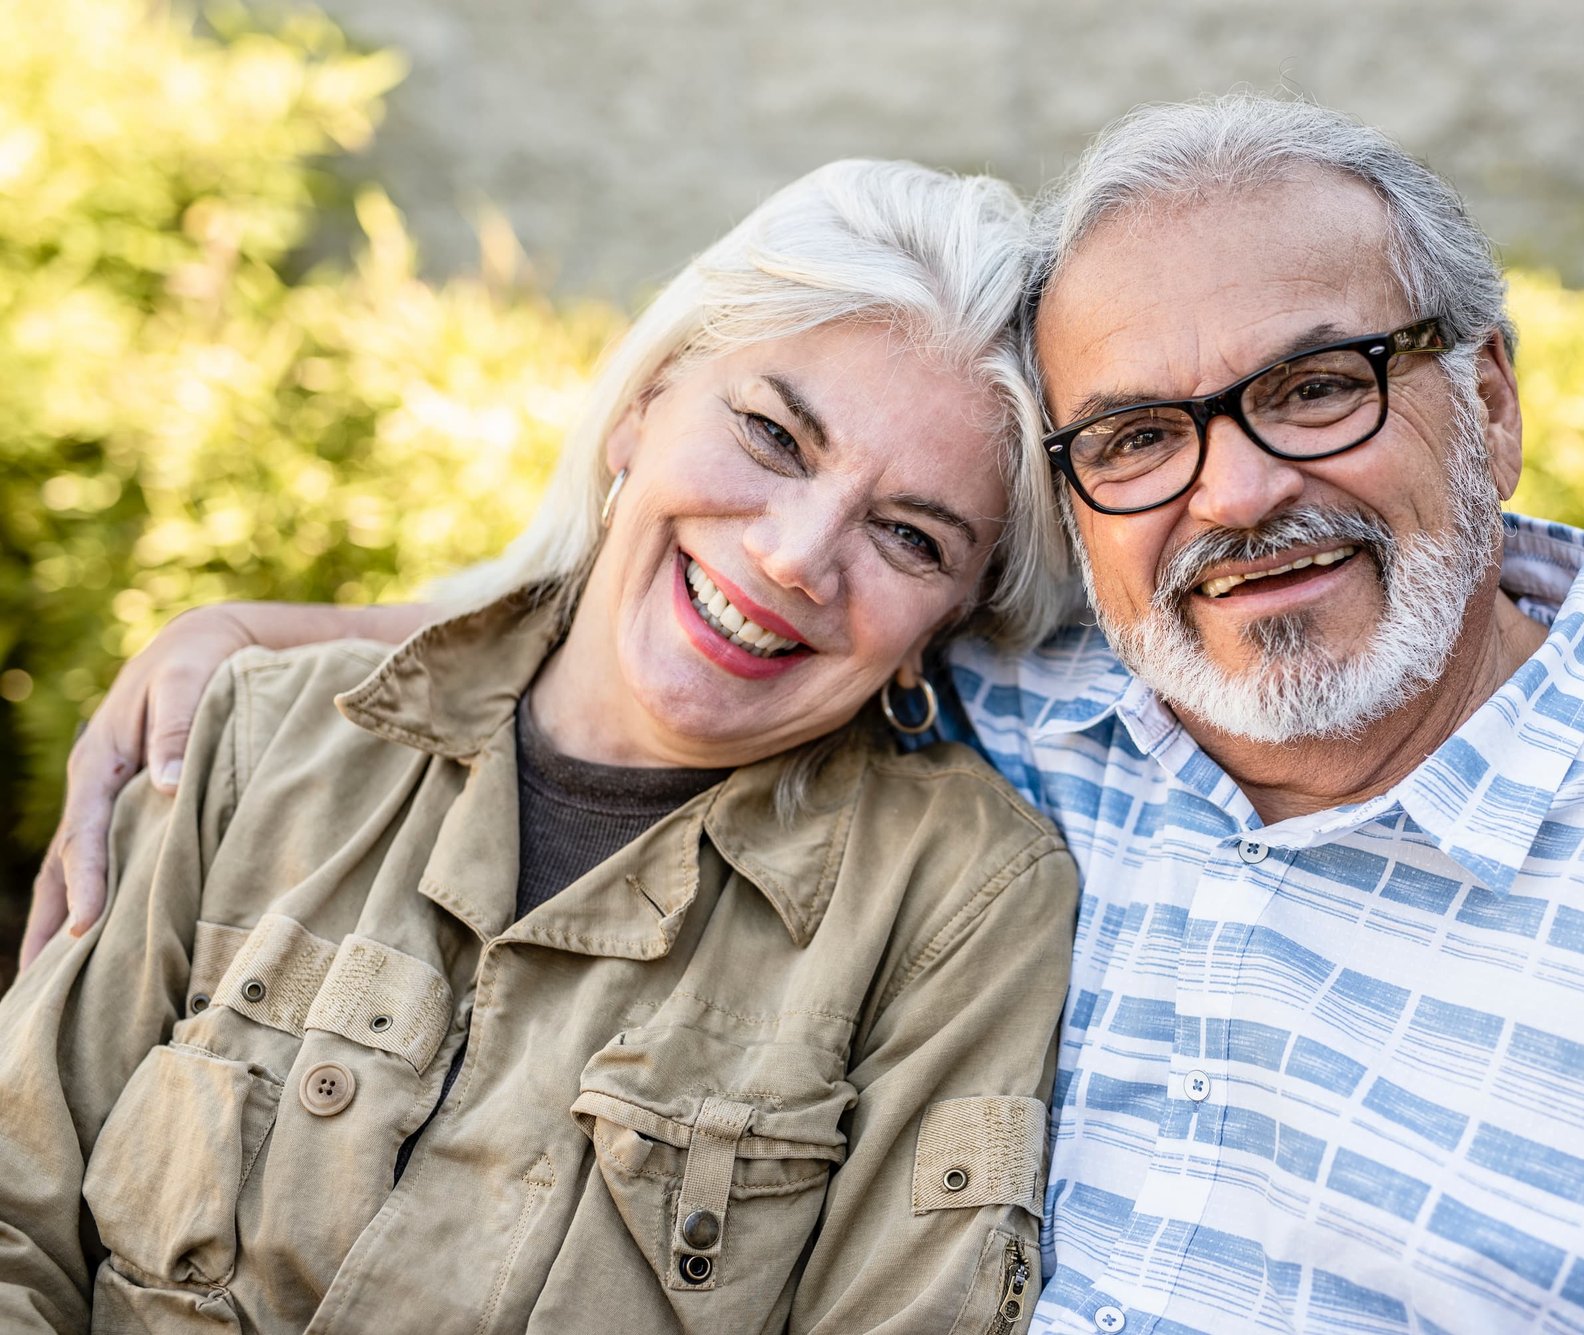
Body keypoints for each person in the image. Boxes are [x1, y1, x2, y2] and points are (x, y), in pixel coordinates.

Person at [26, 96, 1584, 1333]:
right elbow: (712, 624)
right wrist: (282, 643)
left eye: (1316, 387)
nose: (1229, 494)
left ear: (1482, 396)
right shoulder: (1081, 727)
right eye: (1136, 435)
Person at [0, 158, 1081, 1333]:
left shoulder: (960, 909)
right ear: (642, 406)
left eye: (910, 537)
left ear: (953, 621)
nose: (792, 556)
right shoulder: (253, 735)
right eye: (774, 436)